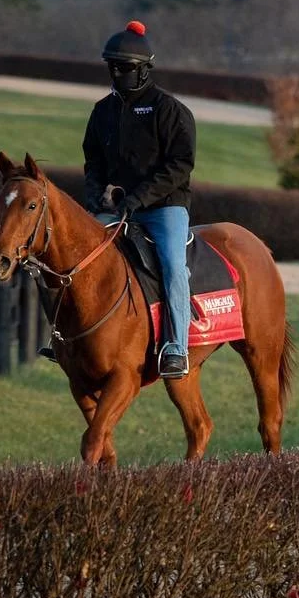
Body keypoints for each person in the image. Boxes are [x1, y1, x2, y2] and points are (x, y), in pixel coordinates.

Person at [42, 20, 197, 378]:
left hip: (165, 207)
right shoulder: (102, 112)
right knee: (75, 260)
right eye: (112, 66)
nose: (116, 73)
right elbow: (93, 161)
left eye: (123, 67)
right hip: (115, 207)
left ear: (144, 69)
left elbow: (180, 166)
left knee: (173, 266)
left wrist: (138, 199)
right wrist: (97, 196)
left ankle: (177, 347)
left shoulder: (170, 111)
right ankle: (62, 338)